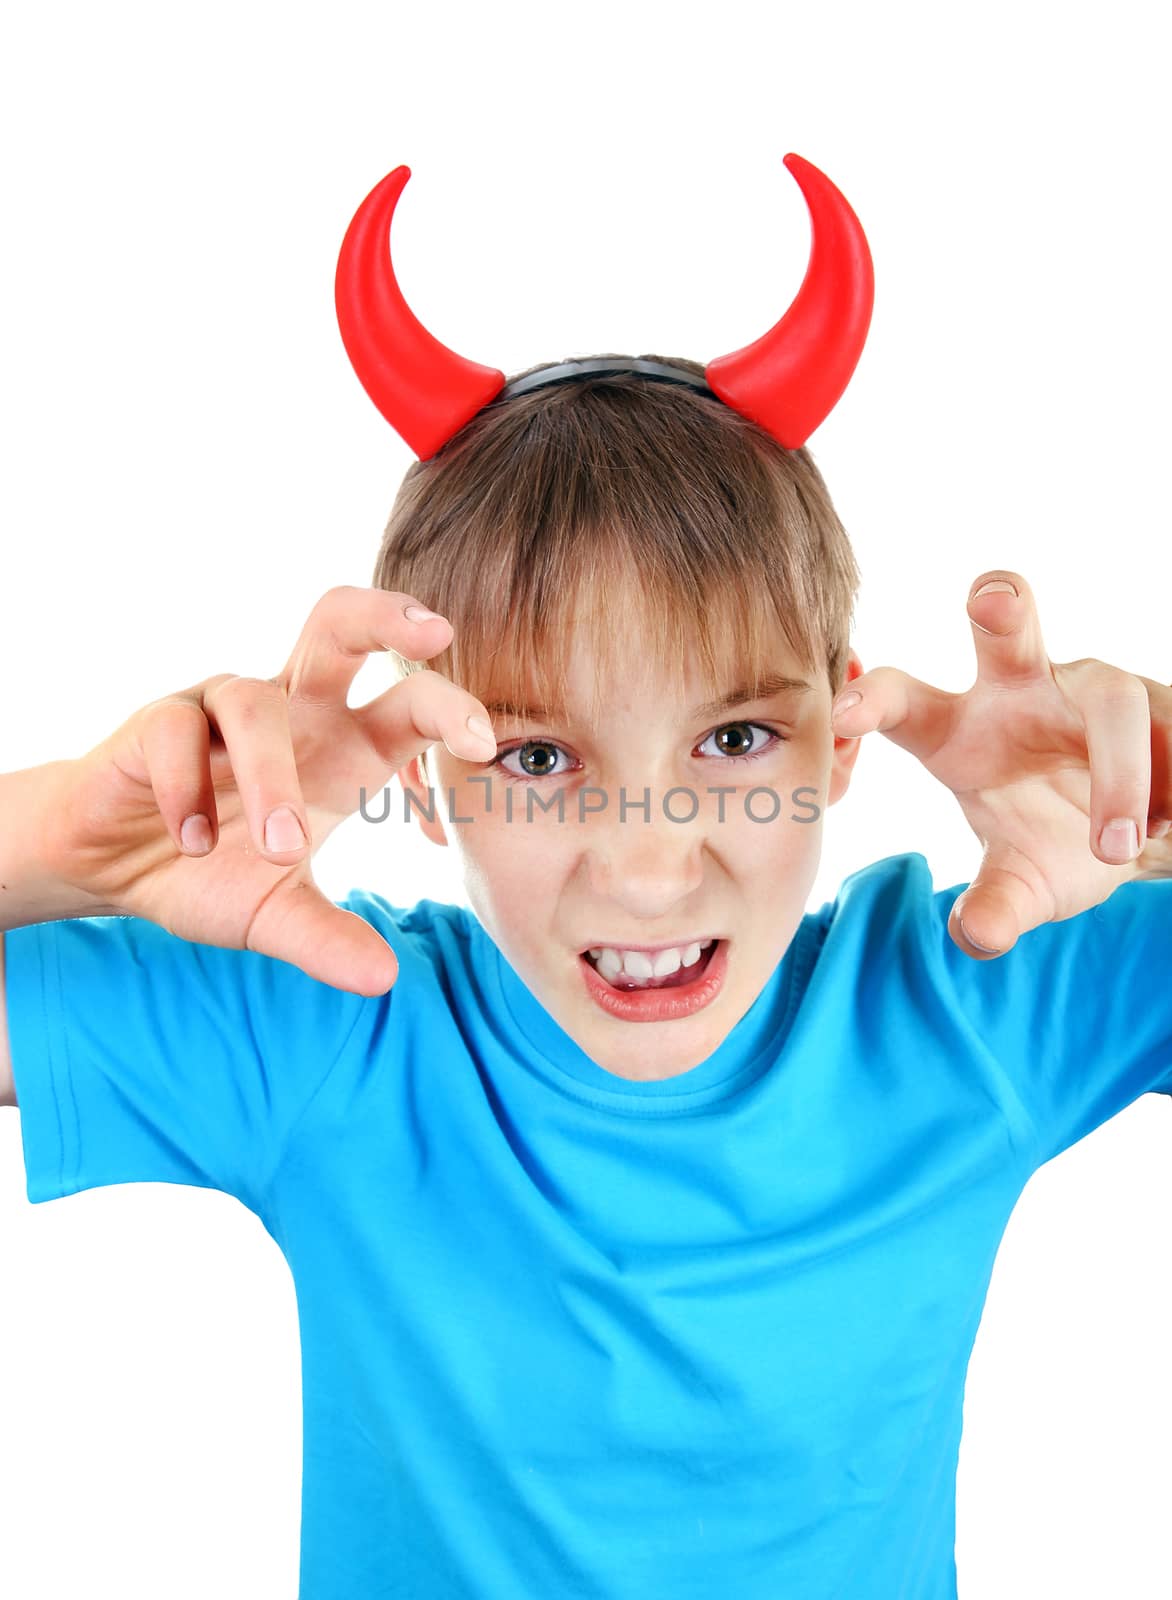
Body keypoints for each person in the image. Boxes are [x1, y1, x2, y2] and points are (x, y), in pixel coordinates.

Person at [1, 153, 1170, 1599]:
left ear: (845, 728)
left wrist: (1162, 815)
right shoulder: (335, 1023)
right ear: (424, 764)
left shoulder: (972, 1003)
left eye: (735, 736)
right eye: (540, 757)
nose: (645, 868)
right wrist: (54, 835)